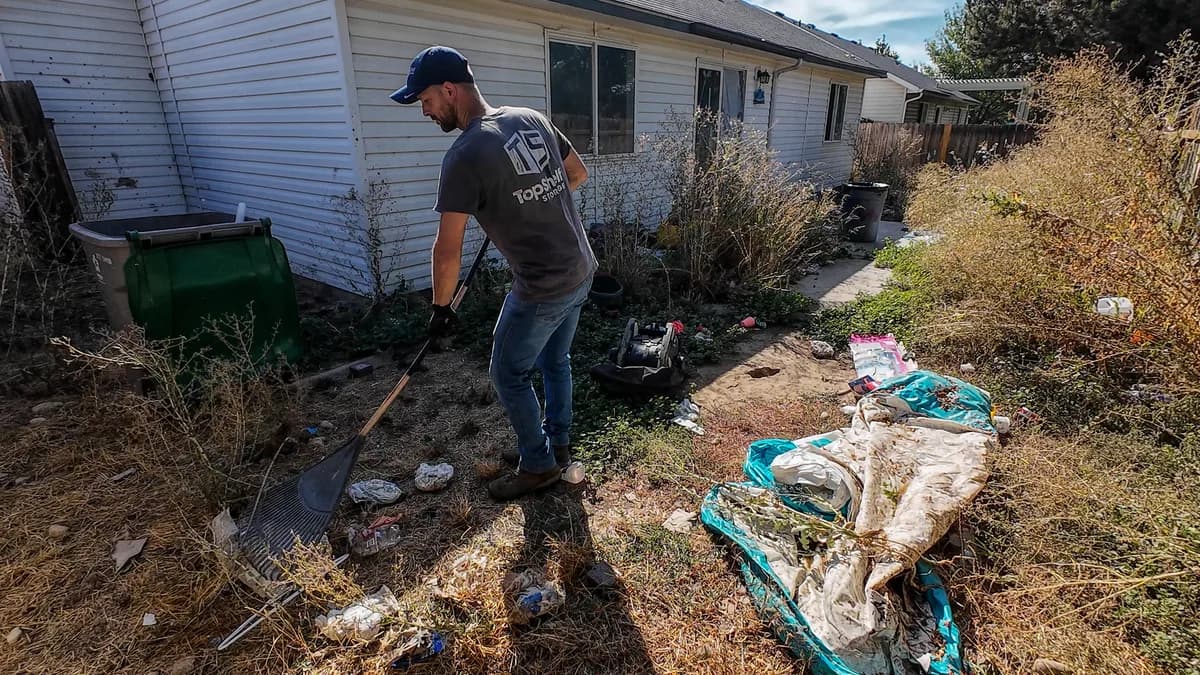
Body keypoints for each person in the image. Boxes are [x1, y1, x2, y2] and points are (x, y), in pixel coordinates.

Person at [390, 46, 596, 501]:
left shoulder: (464, 155)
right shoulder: (531, 117)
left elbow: (447, 251)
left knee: (507, 372)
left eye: (425, 100)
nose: (423, 111)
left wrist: (441, 308)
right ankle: (555, 445)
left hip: (543, 284)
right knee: (554, 361)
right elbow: (576, 174)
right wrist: (519, 206)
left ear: (449, 90)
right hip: (581, 268)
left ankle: (539, 465)